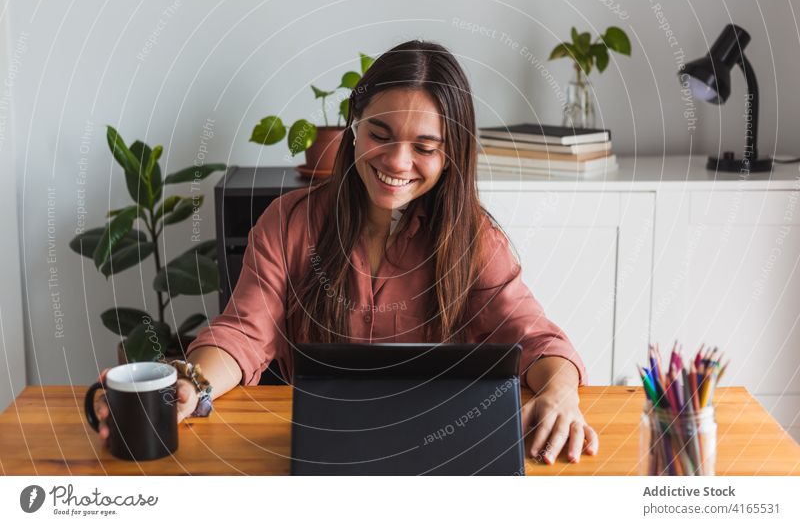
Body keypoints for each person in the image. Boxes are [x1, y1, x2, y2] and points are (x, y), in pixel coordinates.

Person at [94, 40, 598, 465]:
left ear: (451, 155)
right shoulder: (289, 222)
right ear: (353, 126)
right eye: (379, 134)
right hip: (324, 447)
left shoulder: (474, 239)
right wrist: (192, 381)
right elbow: (245, 333)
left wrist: (559, 392)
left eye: (425, 147)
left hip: (440, 448)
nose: (398, 161)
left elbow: (536, 337)